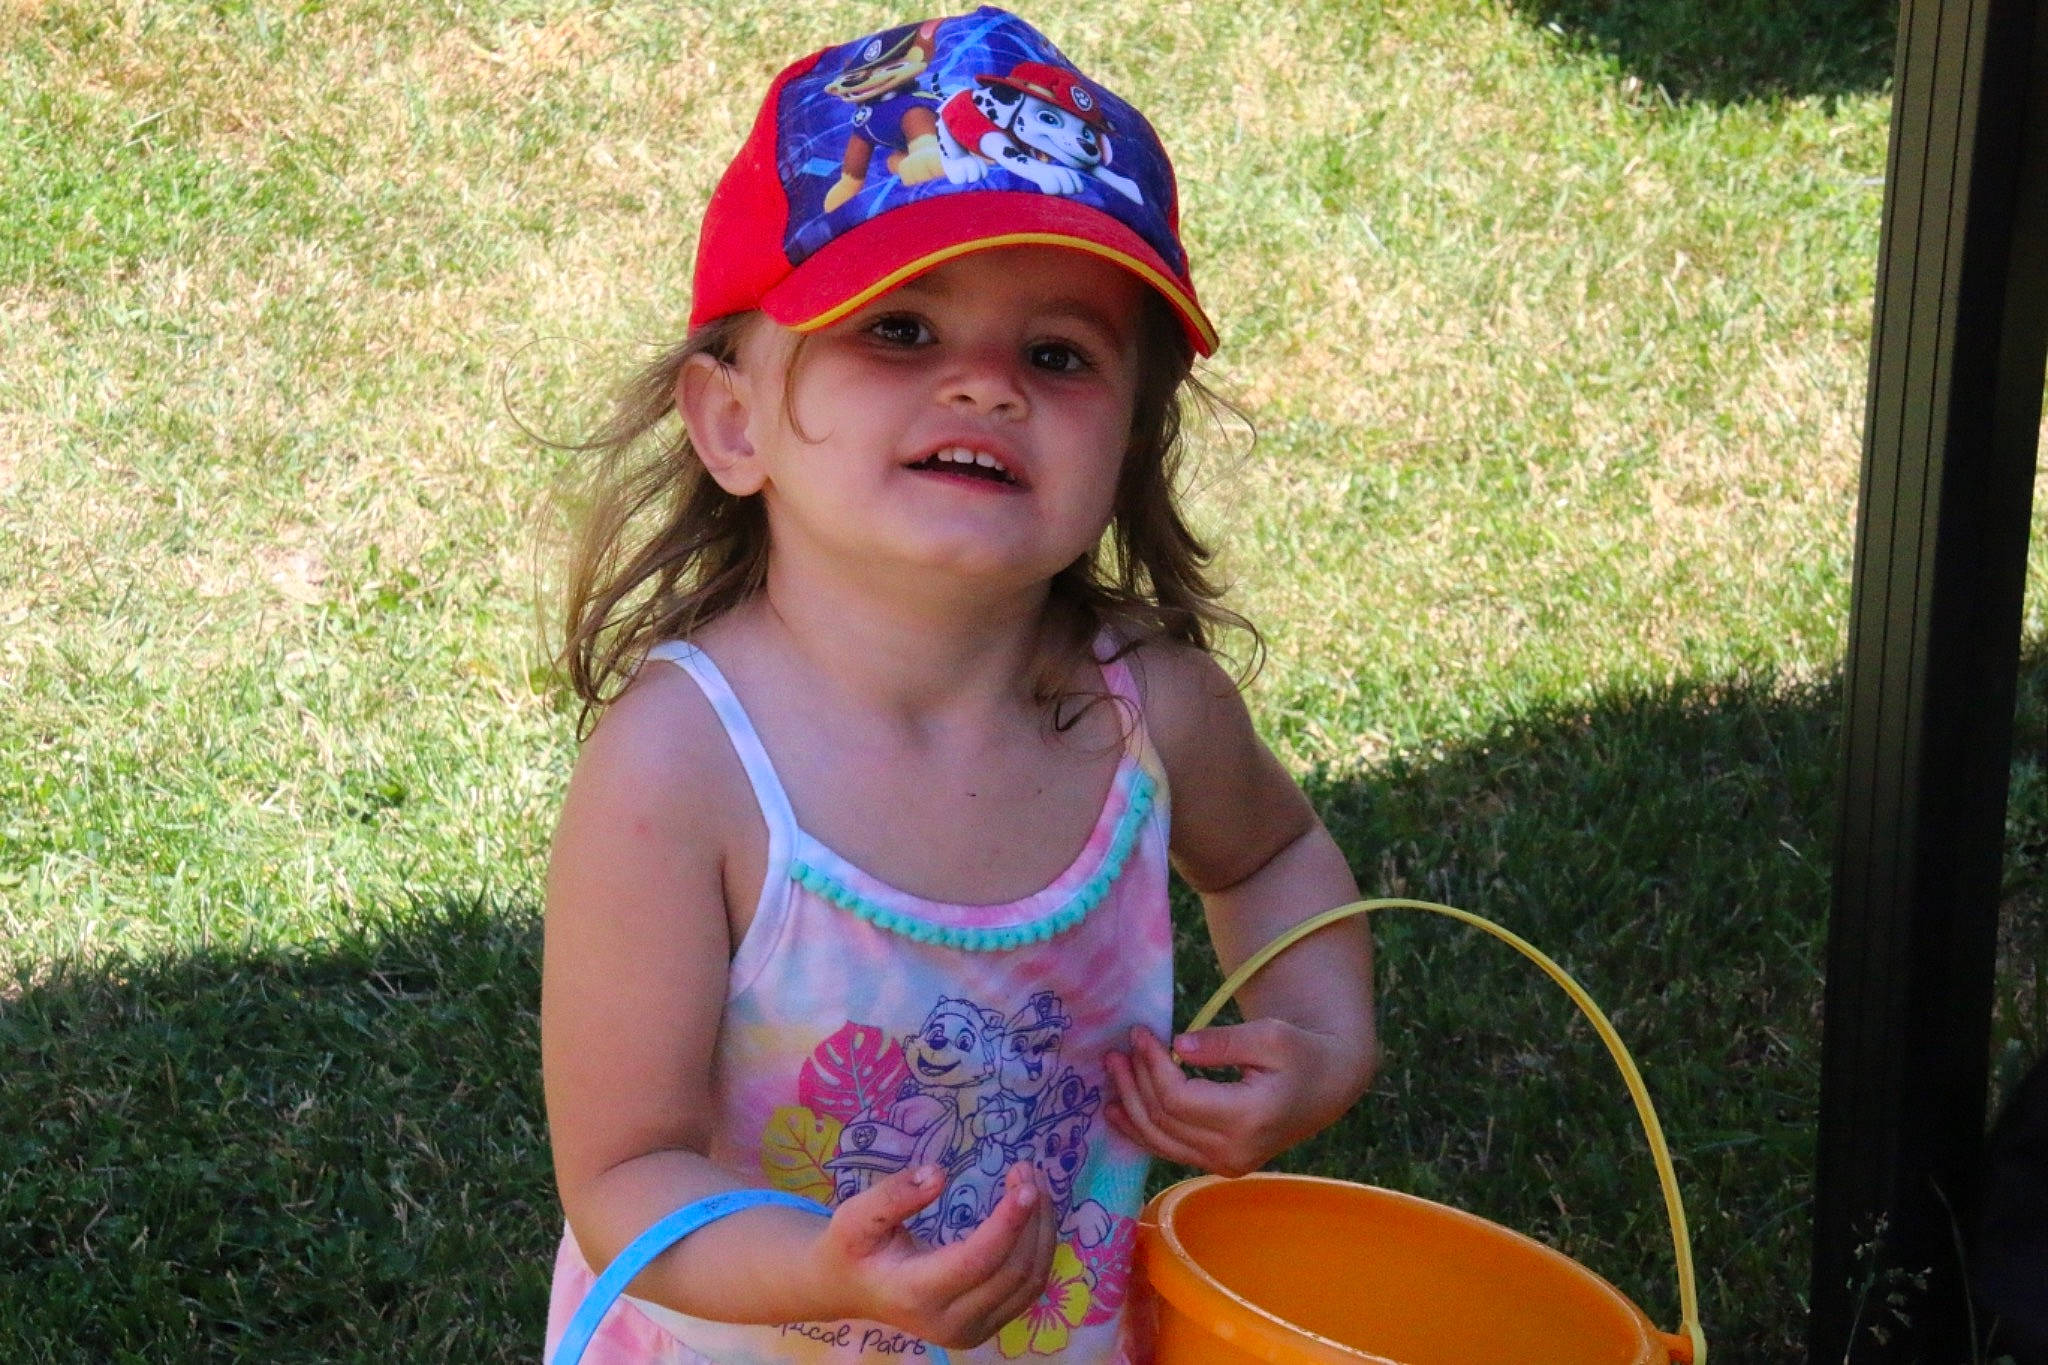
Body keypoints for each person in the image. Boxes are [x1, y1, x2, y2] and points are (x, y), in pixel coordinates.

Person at [539, 9, 1379, 1362]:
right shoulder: (683, 768)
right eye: (905, 328)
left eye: (1058, 354)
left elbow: (1272, 850)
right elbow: (624, 1173)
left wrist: (1322, 1035)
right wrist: (827, 1270)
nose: (985, 386)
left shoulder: (1150, 716)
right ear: (734, 419)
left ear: (1130, 437)